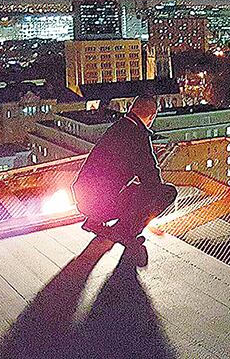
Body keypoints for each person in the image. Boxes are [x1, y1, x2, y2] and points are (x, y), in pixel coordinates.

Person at [73, 96, 178, 248]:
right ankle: (125, 232)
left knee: (127, 188)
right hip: (101, 205)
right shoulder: (138, 136)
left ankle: (94, 222)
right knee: (167, 193)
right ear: (152, 116)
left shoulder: (117, 127)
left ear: (131, 109)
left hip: (84, 201)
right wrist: (150, 210)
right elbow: (151, 178)